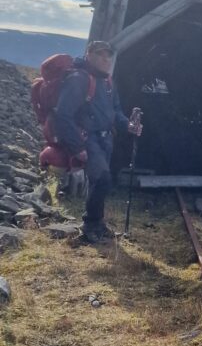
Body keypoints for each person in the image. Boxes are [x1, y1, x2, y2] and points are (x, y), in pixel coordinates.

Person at [53, 40, 143, 243]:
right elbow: (64, 116)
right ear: (88, 55)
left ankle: (96, 224)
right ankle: (90, 227)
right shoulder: (78, 79)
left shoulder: (108, 82)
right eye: (101, 54)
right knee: (102, 180)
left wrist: (128, 125)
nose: (106, 59)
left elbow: (115, 112)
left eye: (108, 55)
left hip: (105, 139)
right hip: (88, 139)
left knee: (99, 182)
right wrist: (77, 147)